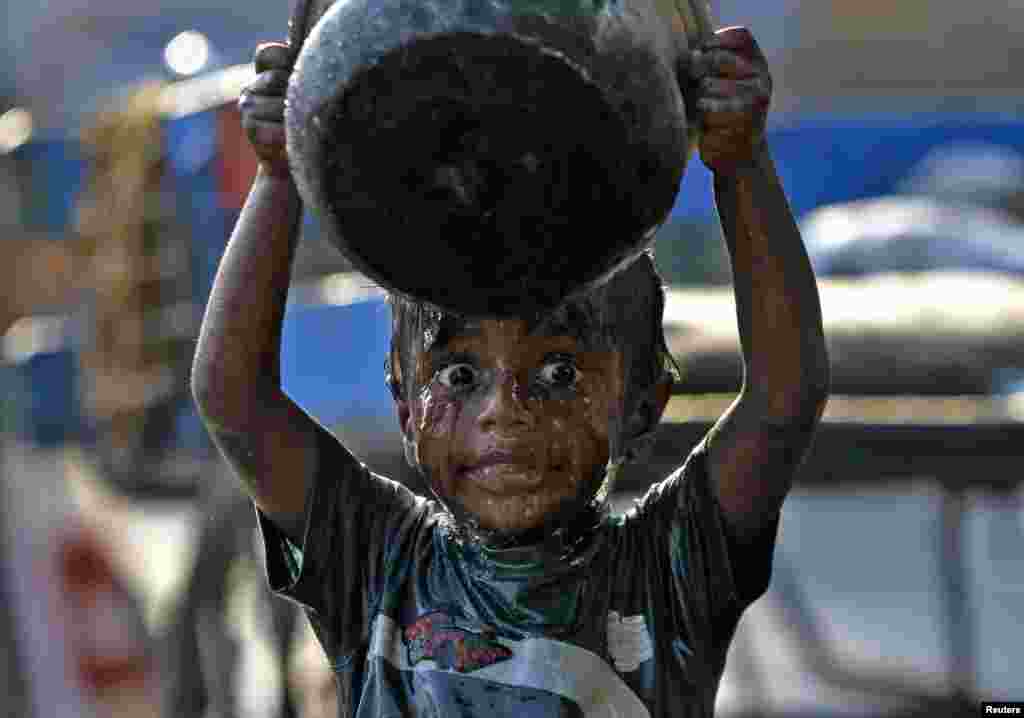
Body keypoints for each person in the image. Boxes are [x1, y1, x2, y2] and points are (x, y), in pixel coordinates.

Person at [192, 21, 829, 717]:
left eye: (558, 371)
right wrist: (280, 173)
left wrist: (741, 164)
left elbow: (781, 400)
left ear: (644, 400)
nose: (504, 409)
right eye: (460, 376)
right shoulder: (374, 561)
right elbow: (232, 398)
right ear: (404, 404)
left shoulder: (667, 570)